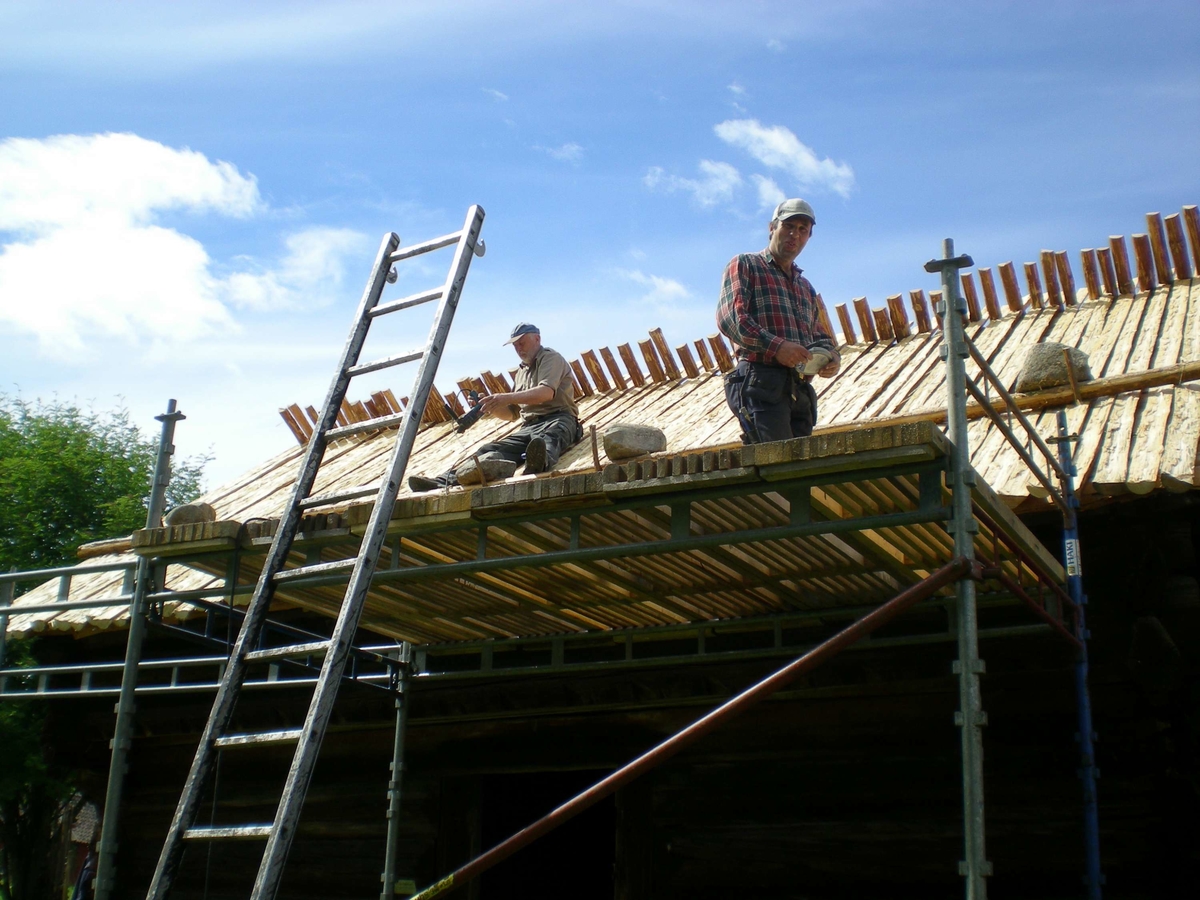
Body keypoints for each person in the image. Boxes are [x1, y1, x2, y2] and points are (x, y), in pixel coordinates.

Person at [717, 198, 841, 443]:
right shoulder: (746, 264)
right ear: (772, 227)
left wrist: (831, 357)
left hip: (798, 390)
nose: (795, 234)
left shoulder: (805, 287)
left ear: (808, 237)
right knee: (778, 466)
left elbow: (820, 336)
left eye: (802, 230)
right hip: (761, 381)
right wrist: (777, 348)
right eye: (789, 226)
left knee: (800, 472)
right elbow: (731, 319)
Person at [408, 322, 582, 491]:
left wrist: (504, 397)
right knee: (488, 450)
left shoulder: (550, 358)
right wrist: (490, 405)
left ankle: (536, 464)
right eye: (515, 346)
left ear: (537, 339)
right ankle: (442, 481)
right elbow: (512, 414)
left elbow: (545, 393)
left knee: (549, 439)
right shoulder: (521, 372)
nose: (519, 349)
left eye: (522, 343)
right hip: (528, 427)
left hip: (559, 418)